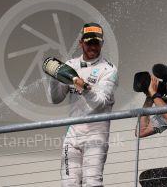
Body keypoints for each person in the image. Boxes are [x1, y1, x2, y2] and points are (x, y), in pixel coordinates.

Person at [48, 23, 118, 186]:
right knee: (69, 183)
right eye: (89, 42)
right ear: (81, 43)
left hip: (96, 135)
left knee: (92, 182)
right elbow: (55, 99)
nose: (93, 46)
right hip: (72, 135)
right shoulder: (70, 65)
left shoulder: (109, 70)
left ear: (102, 44)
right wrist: (53, 77)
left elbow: (100, 102)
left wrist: (84, 86)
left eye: (97, 43)